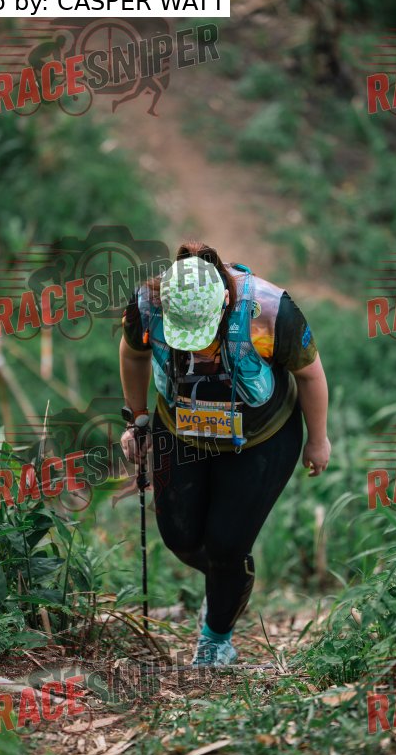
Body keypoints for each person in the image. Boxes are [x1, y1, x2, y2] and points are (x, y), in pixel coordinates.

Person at [120, 242, 330, 666]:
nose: (196, 351)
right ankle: (226, 578)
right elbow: (132, 354)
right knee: (179, 537)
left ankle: (216, 638)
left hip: (261, 438)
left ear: (223, 308)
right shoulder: (147, 305)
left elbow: (310, 374)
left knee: (227, 544)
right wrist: (138, 420)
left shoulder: (271, 312)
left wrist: (317, 440)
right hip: (180, 430)